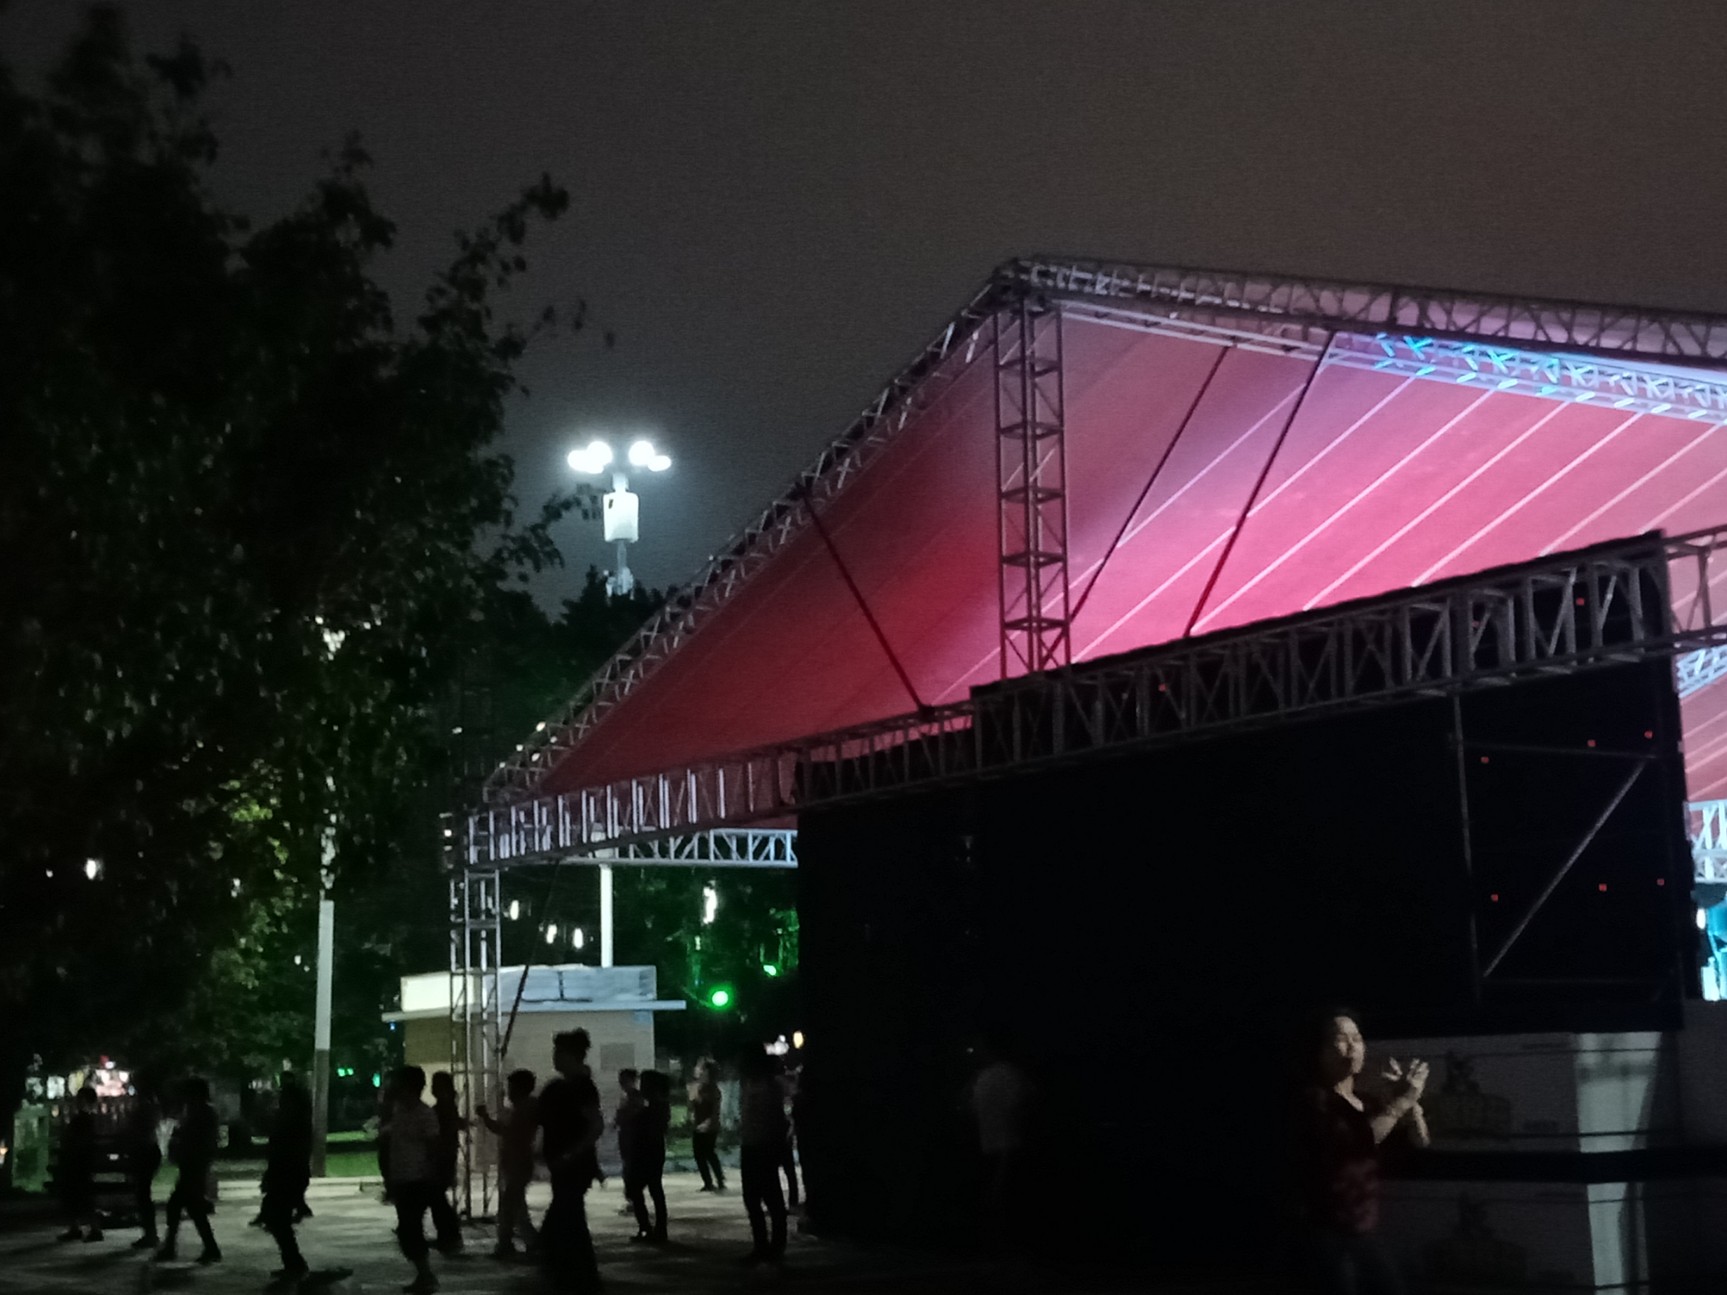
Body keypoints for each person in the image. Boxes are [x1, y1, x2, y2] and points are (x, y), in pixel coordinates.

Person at [1289, 1009, 1430, 1295]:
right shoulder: (1313, 1101)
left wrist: (1411, 1104)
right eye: (1341, 1039)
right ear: (1320, 1052)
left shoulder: (1367, 1104)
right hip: (1327, 1235)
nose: (1352, 1045)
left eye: (1357, 1038)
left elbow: (1420, 1142)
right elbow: (1355, 1143)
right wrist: (1401, 1103)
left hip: (1364, 1231)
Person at [538, 1029, 604, 1293]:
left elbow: (595, 1126)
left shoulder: (582, 1087)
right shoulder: (559, 1087)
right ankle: (577, 1275)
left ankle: (575, 1275)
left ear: (571, 1055)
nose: (554, 1057)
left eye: (559, 1052)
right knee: (571, 1220)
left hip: (574, 1166)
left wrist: (571, 1154)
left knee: (564, 1218)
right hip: (563, 1165)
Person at [969, 1027, 1034, 1251]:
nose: (975, 1051)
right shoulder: (991, 1076)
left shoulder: (1000, 1076)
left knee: (1003, 1202)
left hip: (1003, 1147)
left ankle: (1007, 1250)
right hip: (998, 1147)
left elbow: (1023, 1109)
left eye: (978, 1047)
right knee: (1000, 1202)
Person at [384, 1067, 444, 1295]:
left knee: (410, 1228)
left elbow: (433, 1146)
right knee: (407, 1229)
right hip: (402, 1177)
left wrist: (429, 1174)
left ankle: (426, 1275)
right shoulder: (399, 1111)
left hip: (416, 1179)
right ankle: (423, 1274)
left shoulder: (424, 1114)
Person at [477, 1069, 540, 1260]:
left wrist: (486, 1118)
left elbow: (508, 1131)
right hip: (516, 1161)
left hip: (518, 1162)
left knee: (511, 1207)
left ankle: (514, 1244)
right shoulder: (525, 1108)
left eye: (511, 1088)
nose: (509, 1092)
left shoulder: (524, 1109)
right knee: (516, 1207)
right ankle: (523, 1243)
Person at [158, 1076, 221, 1264]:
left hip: (194, 1165)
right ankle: (207, 1247)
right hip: (192, 1165)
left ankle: (175, 1247)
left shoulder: (202, 1113)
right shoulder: (197, 1111)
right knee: (189, 1208)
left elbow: (198, 1140)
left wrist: (181, 1142)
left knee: (182, 1206)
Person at [736, 1048, 789, 1265]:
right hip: (749, 1145)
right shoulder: (747, 1084)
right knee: (751, 1199)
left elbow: (778, 1118)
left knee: (772, 1199)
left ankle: (776, 1246)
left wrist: (777, 1147)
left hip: (765, 1146)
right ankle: (761, 1246)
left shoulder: (771, 1086)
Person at [260, 1076, 313, 1283]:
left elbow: (286, 1152)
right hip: (285, 1174)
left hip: (288, 1174)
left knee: (276, 1218)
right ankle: (293, 1262)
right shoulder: (290, 1121)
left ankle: (294, 1263)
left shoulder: (294, 1123)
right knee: (276, 1219)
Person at [626, 1071, 670, 1245]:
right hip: (654, 1151)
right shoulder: (658, 1106)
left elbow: (643, 1127)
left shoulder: (654, 1108)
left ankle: (648, 1228)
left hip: (647, 1152)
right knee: (654, 1189)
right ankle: (657, 1229)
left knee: (639, 1190)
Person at [58, 1084, 102, 1242]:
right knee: (79, 1194)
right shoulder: (88, 1119)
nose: (77, 1102)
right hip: (81, 1163)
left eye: (80, 1099)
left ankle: (86, 1228)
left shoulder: (82, 1120)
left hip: (79, 1163)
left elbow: (76, 1141)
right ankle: (82, 1227)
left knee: (79, 1194)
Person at [428, 1071, 466, 1253]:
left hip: (441, 1157)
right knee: (438, 1198)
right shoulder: (448, 1107)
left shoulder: (443, 1109)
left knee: (437, 1198)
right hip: (445, 1156)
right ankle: (448, 1235)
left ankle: (449, 1235)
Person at [126, 1085, 162, 1249]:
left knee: (143, 1195)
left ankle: (150, 1234)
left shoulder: (144, 1111)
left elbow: (136, 1131)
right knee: (143, 1194)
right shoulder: (152, 1109)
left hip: (144, 1152)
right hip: (148, 1152)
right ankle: (150, 1233)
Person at [689, 1060, 726, 1193]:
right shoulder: (698, 1087)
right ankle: (708, 1182)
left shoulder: (713, 1090)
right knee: (699, 1155)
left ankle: (719, 1180)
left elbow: (715, 1110)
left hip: (709, 1126)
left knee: (709, 1153)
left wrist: (708, 1123)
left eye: (701, 1069)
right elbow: (693, 1105)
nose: (698, 1071)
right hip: (698, 1124)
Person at [614, 1069, 643, 1218]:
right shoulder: (625, 1097)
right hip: (625, 1136)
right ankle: (631, 1199)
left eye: (625, 1080)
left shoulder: (637, 1097)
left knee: (632, 1170)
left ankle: (633, 1200)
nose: (622, 1084)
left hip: (633, 1137)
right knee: (627, 1168)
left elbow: (634, 1115)